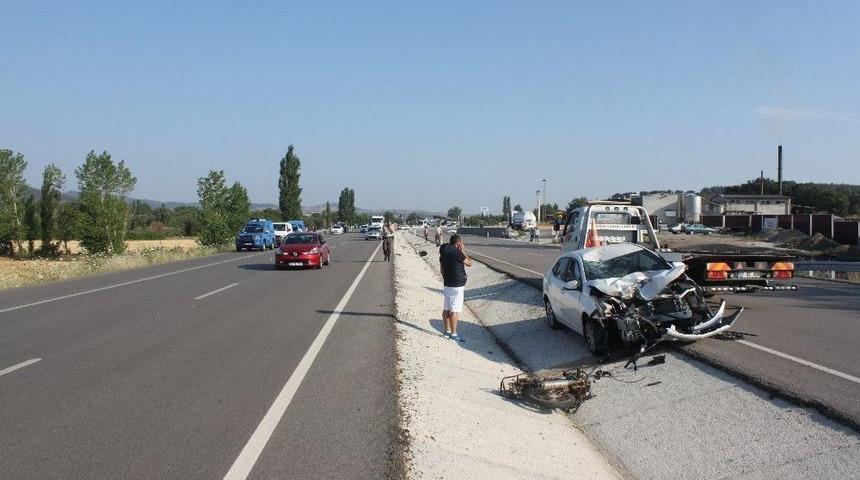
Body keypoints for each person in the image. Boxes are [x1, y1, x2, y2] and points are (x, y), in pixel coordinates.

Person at [439, 234, 472, 343]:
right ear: (458, 243)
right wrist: (463, 251)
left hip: (447, 283)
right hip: (457, 285)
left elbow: (441, 269)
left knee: (446, 308)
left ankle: (447, 331)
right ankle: (454, 334)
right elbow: (469, 263)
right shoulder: (457, 253)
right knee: (455, 310)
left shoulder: (443, 251)